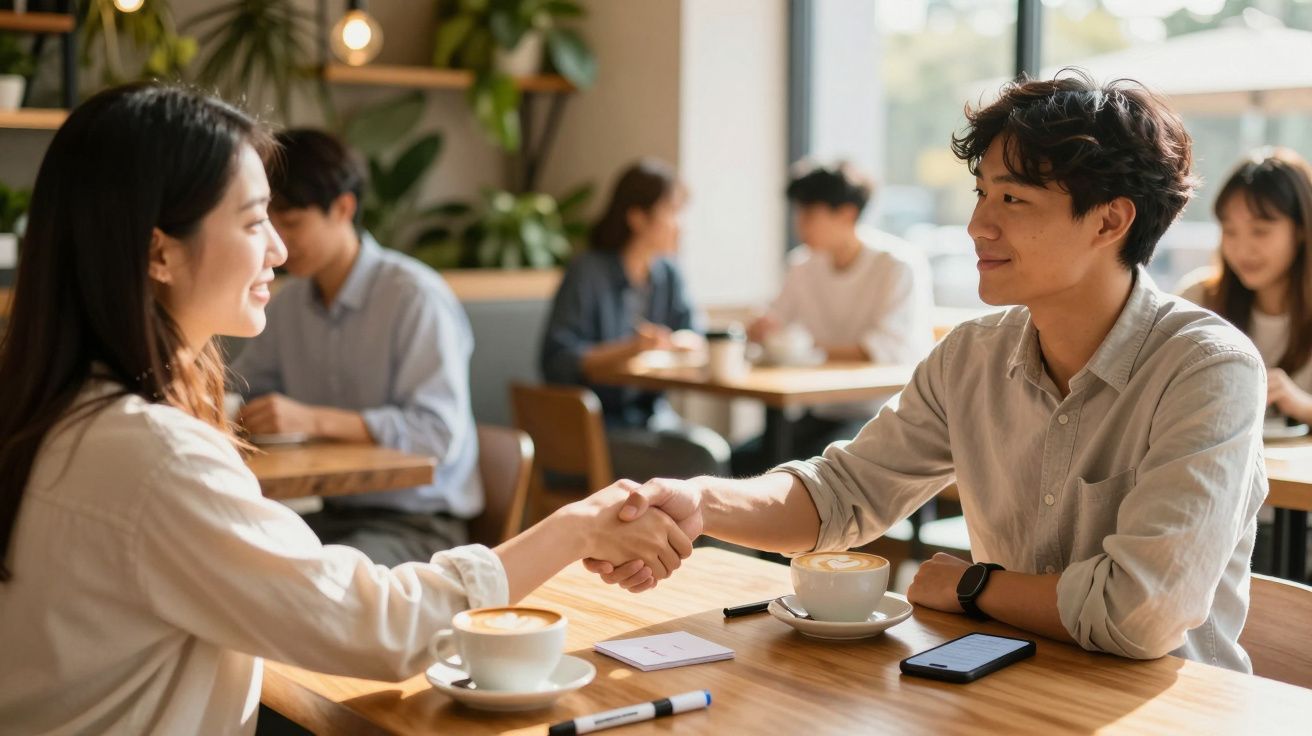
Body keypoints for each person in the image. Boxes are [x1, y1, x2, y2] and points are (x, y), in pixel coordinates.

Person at [0, 83, 690, 733]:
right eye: (253, 221)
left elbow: (436, 443)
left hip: (414, 520)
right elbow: (383, 629)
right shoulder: (154, 457)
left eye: (282, 220)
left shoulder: (64, 413)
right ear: (159, 253)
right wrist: (574, 530)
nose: (277, 247)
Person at [590, 72, 1268, 672]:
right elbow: (842, 494)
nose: (977, 225)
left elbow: (1141, 613)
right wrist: (701, 503)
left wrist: (974, 585)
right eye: (981, 194)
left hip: (1164, 710)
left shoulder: (1207, 369)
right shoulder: (972, 355)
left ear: (1109, 220)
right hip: (1001, 684)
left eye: (1012, 200)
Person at [229, 129, 481, 566]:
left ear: (343, 208)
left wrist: (310, 419)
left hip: (418, 523)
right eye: (266, 223)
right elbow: (248, 389)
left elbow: (437, 434)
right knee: (232, 563)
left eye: (292, 223)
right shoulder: (287, 304)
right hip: (329, 512)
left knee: (312, 583)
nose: (278, 244)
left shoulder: (413, 297)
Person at [734, 160, 934, 474]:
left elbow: (884, 349)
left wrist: (804, 350)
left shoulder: (896, 265)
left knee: (808, 468)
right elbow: (776, 322)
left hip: (883, 412)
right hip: (823, 409)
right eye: (798, 213)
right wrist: (762, 328)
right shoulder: (803, 265)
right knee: (744, 461)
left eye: (810, 214)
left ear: (847, 214)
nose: (800, 224)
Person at [540, 158, 729, 483]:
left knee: (717, 451)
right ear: (637, 217)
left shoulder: (668, 274)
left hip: (652, 419)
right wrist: (632, 348)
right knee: (703, 460)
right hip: (595, 431)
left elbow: (694, 334)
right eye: (672, 212)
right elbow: (557, 361)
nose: (680, 225)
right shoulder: (587, 273)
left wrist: (685, 341)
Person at [1178, 148, 1312, 425]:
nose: (1241, 249)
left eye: (1260, 231)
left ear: (1300, 231)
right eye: (1230, 231)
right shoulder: (1198, 299)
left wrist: (1301, 405)